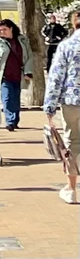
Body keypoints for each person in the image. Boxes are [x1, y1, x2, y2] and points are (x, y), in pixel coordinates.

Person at [43, 22, 80, 205]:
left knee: (72, 142)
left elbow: (56, 77)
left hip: (72, 101)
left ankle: (71, 188)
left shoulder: (67, 46)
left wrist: (49, 106)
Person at [0, 19, 32, 131]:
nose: (2, 32)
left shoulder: (22, 40)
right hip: (4, 75)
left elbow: (29, 56)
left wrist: (28, 72)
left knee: (16, 99)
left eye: (5, 29)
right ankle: (10, 121)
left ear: (11, 29)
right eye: (0, 30)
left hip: (18, 74)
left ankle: (15, 120)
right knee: (7, 98)